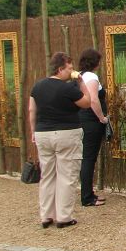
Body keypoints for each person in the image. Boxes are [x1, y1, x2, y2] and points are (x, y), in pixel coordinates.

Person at [29, 52, 91, 228]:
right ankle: (64, 216)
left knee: (47, 175)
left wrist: (33, 130)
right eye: (70, 68)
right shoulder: (68, 88)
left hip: (43, 133)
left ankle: (46, 215)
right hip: (66, 133)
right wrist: (81, 83)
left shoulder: (37, 87)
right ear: (60, 69)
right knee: (66, 175)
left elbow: (32, 110)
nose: (72, 71)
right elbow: (87, 102)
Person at [77, 48, 109, 207]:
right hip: (91, 121)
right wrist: (102, 118)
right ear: (95, 62)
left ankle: (88, 192)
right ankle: (87, 196)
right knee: (89, 158)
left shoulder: (80, 76)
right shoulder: (91, 77)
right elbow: (93, 100)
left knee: (86, 157)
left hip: (82, 120)